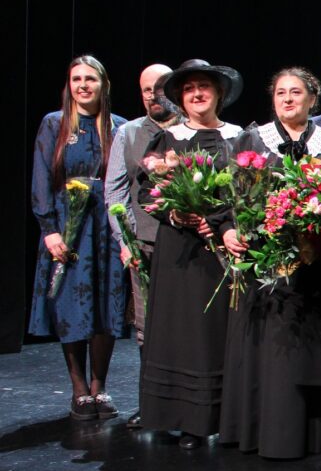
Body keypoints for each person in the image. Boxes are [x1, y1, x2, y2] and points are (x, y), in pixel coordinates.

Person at [217, 67, 321, 459]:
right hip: (263, 264)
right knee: (267, 347)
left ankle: (312, 434)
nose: (288, 99)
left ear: (312, 99)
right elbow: (227, 197)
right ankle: (261, 430)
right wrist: (228, 230)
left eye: (296, 92)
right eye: (280, 93)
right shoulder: (251, 139)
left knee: (307, 348)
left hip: (315, 264)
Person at [138, 59, 244, 450]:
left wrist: (225, 223)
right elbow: (147, 192)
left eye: (204, 86)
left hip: (225, 247)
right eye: (188, 89)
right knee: (185, 333)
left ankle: (225, 418)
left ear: (219, 93)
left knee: (222, 330)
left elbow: (250, 188)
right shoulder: (168, 139)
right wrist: (176, 213)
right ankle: (186, 420)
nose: (197, 94)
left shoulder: (239, 136)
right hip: (181, 251)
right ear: (181, 99)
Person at [29, 55, 128, 421]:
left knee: (105, 305)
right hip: (67, 227)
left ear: (103, 85)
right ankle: (79, 390)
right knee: (71, 306)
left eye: (91, 79)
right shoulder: (54, 124)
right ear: (69, 86)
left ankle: (100, 386)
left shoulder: (119, 128)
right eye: (76, 79)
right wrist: (50, 230)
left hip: (106, 229)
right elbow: (42, 177)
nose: (83, 85)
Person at [103, 63, 180, 429]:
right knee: (146, 327)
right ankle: (150, 404)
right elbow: (115, 192)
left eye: (160, 88)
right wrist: (126, 240)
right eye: (147, 89)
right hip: (145, 245)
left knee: (186, 324)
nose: (153, 95)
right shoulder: (129, 133)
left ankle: (191, 407)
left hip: (189, 245)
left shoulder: (189, 130)